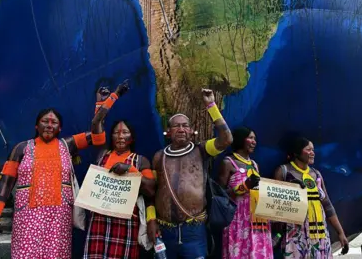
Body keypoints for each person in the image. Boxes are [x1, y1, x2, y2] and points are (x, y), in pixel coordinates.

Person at [0, 80, 130, 259]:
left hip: (58, 218)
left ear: (60, 128)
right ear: (36, 126)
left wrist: (105, 102)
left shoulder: (68, 144)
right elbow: (5, 183)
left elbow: (98, 137)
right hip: (27, 218)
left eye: (54, 122)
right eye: (44, 121)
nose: (49, 125)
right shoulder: (21, 149)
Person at [150, 88, 233, 259]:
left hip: (194, 231)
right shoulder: (159, 157)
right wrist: (151, 220)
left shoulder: (201, 150)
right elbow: (151, 191)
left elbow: (226, 139)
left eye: (185, 125)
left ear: (191, 130)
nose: (181, 129)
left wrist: (211, 105)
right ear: (169, 131)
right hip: (165, 230)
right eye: (176, 126)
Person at [83, 118, 156, 259]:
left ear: (132, 138)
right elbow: (96, 125)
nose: (120, 136)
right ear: (111, 137)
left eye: (125, 132)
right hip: (99, 221)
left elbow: (150, 190)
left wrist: (130, 169)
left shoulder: (140, 161)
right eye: (116, 132)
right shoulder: (102, 156)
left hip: (125, 223)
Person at [274, 137, 349, 259]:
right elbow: (275, 203)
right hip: (296, 236)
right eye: (308, 149)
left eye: (313, 150)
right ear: (298, 152)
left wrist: (340, 232)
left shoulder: (316, 174)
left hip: (319, 234)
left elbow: (327, 205)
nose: (312, 153)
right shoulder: (284, 172)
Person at [218, 127, 273, 259]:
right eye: (250, 138)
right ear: (240, 140)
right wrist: (242, 187)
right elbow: (219, 195)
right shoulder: (228, 163)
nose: (254, 141)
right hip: (238, 220)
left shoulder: (254, 165)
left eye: (255, 138)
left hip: (257, 219)